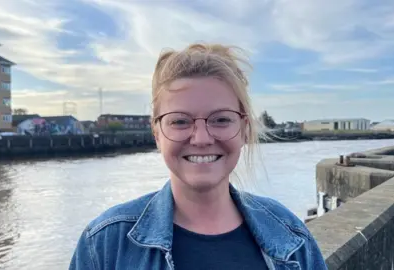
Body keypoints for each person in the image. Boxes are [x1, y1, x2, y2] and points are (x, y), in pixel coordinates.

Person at [69, 43, 327, 270]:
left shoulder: (289, 234)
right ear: (157, 133)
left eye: (221, 119)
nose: (201, 138)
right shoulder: (105, 244)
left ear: (244, 129)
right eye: (180, 121)